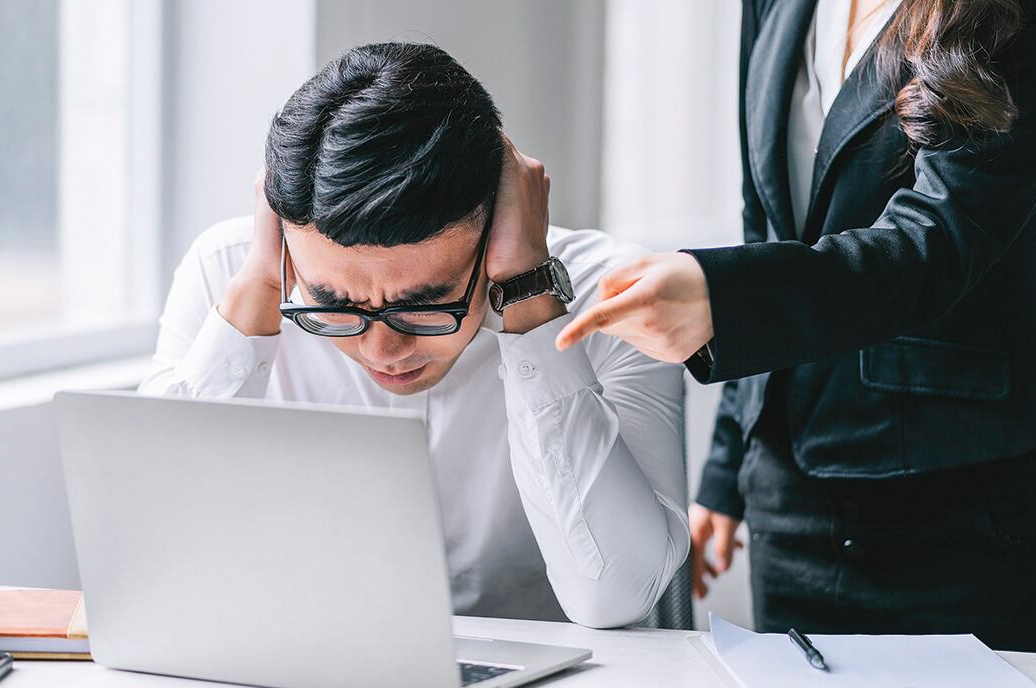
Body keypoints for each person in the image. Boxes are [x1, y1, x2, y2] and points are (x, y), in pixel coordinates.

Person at [557, 0, 1036, 651]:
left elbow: (935, 241)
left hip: (964, 496)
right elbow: (765, 221)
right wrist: (726, 470)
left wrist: (722, 298)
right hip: (789, 494)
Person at [139, 43, 689, 629]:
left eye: (425, 304)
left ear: (498, 226)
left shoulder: (614, 298)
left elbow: (613, 597)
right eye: (332, 302)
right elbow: (152, 554)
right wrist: (258, 292)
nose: (382, 350)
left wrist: (529, 291)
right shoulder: (230, 273)